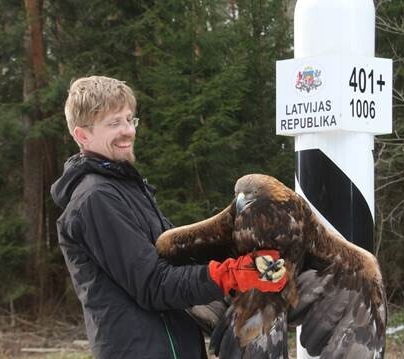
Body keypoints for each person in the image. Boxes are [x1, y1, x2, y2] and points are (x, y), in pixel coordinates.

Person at [50, 75, 287, 359]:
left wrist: (247, 266)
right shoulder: (95, 199)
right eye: (114, 123)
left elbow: (175, 261)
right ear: (82, 135)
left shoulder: (127, 188)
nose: (128, 131)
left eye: (130, 119)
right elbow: (153, 283)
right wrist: (231, 274)